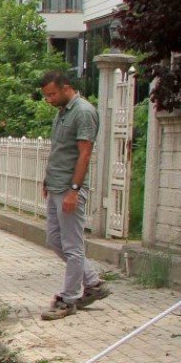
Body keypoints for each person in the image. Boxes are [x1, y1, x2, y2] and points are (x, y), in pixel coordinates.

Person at [38, 69, 110, 321]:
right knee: (54, 239)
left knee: (72, 245)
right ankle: (93, 282)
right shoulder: (63, 112)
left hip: (70, 189)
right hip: (57, 186)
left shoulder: (84, 112)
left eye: (52, 94)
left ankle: (68, 300)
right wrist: (48, 179)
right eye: (46, 95)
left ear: (66, 86)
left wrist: (75, 190)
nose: (49, 99)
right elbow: (60, 150)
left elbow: (84, 154)